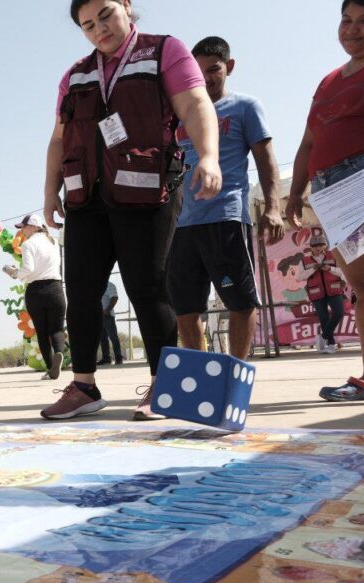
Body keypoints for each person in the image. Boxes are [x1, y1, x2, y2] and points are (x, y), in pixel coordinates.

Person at [41, 0, 221, 422]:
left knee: (148, 285)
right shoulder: (75, 74)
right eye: (87, 25)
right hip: (86, 195)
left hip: (148, 188)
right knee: (81, 289)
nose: (99, 29)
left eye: (105, 14)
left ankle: (164, 383)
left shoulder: (164, 50)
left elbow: (195, 104)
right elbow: (59, 138)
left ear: (125, 5)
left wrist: (209, 156)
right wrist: (49, 192)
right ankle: (83, 385)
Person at [286, 0, 364, 406]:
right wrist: (297, 191)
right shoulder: (328, 80)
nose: (353, 29)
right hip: (334, 193)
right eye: (346, 20)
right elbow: (309, 141)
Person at [169, 36, 284, 361]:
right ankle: (203, 374)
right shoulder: (179, 116)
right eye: (198, 70)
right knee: (185, 308)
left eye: (214, 69)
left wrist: (273, 207)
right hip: (181, 226)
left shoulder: (245, 107)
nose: (205, 77)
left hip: (226, 218)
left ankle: (234, 373)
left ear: (229, 67)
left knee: (241, 301)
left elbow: (266, 159)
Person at [3, 214, 66, 380]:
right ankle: (59, 353)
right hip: (56, 288)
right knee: (57, 329)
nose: (22, 231)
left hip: (36, 291)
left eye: (23, 227)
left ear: (33, 227)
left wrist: (13, 272)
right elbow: (65, 238)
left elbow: (28, 270)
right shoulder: (52, 241)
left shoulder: (28, 244)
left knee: (42, 332)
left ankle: (51, 367)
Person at [304, 233, 349, 354]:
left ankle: (323, 337)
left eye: (320, 245)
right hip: (316, 292)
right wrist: (312, 269)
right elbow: (299, 276)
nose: (317, 248)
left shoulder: (333, 255)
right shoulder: (305, 259)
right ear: (310, 247)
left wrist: (330, 269)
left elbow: (343, 271)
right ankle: (330, 344)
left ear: (325, 245)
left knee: (339, 312)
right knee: (324, 318)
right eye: (314, 246)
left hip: (334, 289)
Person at [97, 280, 123, 366]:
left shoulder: (109, 285)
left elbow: (114, 297)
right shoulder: (97, 285)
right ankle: (106, 358)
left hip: (107, 315)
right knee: (103, 338)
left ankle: (118, 357)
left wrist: (108, 309)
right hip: (99, 316)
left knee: (113, 337)